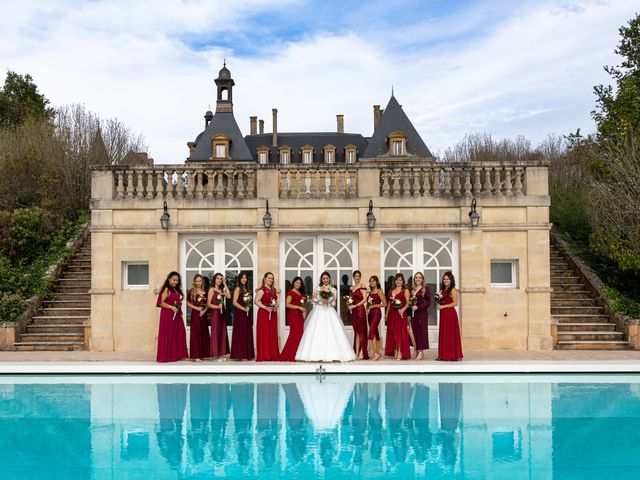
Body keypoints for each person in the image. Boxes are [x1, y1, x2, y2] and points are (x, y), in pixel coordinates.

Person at [295, 271, 356, 362]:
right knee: (317, 331)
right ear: (321, 279)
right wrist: (321, 300)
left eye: (327, 278)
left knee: (332, 331)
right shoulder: (317, 288)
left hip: (329, 310)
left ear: (329, 279)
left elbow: (334, 303)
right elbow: (314, 300)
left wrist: (329, 302)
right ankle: (315, 354)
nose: (325, 280)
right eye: (323, 278)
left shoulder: (333, 289)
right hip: (319, 310)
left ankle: (335, 354)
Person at [155, 271, 188, 362]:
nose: (175, 282)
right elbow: (160, 303)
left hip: (176, 315)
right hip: (168, 315)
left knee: (179, 333)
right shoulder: (167, 289)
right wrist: (171, 307)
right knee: (169, 334)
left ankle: (176, 355)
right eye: (173, 280)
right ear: (169, 279)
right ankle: (167, 356)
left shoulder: (177, 290)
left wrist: (177, 308)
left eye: (177, 280)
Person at [278, 276, 306, 361]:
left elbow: (302, 306)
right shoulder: (290, 292)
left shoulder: (300, 293)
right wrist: (298, 307)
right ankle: (290, 354)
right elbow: (287, 304)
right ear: (293, 283)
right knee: (294, 334)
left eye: (300, 283)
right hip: (293, 315)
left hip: (299, 315)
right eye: (297, 282)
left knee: (299, 334)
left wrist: (304, 310)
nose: (298, 284)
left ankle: (296, 354)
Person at [436, 271, 463, 361]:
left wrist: (443, 306)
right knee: (444, 333)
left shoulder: (453, 290)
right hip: (443, 314)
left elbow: (456, 303)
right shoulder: (443, 290)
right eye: (444, 279)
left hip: (450, 314)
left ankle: (451, 355)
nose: (445, 280)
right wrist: (438, 304)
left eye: (447, 279)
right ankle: (443, 354)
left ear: (451, 280)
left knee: (450, 334)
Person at [385, 273, 411, 360]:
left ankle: (400, 351)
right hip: (392, 314)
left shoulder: (405, 290)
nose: (398, 281)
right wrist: (386, 314)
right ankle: (395, 350)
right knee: (392, 333)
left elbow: (408, 302)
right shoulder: (391, 291)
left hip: (400, 314)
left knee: (399, 333)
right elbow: (389, 303)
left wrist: (403, 309)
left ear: (403, 281)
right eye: (397, 280)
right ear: (394, 281)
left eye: (400, 280)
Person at [230, 271, 255, 360]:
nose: (244, 279)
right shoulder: (238, 288)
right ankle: (240, 354)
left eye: (245, 278)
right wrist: (244, 308)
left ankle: (247, 353)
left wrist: (248, 306)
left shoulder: (247, 289)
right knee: (241, 333)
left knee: (246, 332)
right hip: (240, 313)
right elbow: (234, 302)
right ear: (239, 279)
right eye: (242, 278)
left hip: (246, 314)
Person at [255, 272, 280, 361]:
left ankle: (273, 354)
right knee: (265, 333)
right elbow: (256, 301)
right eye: (269, 278)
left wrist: (276, 306)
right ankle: (265, 355)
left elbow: (275, 301)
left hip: (273, 314)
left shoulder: (273, 290)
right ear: (265, 279)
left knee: (272, 333)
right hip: (264, 314)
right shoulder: (261, 290)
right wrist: (266, 308)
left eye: (272, 278)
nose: (270, 280)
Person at [186, 274, 210, 362]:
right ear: (194, 282)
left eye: (200, 281)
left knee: (203, 333)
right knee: (196, 334)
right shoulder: (192, 291)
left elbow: (208, 303)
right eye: (197, 281)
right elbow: (188, 303)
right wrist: (197, 308)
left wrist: (203, 311)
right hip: (195, 314)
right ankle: (196, 355)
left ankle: (203, 354)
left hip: (203, 315)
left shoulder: (205, 291)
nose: (198, 283)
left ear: (202, 281)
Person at [207, 273, 231, 360]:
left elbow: (229, 296)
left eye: (221, 279)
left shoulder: (222, 290)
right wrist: (217, 307)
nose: (219, 280)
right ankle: (215, 354)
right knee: (216, 332)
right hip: (215, 313)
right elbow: (208, 304)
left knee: (222, 332)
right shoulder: (211, 290)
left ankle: (222, 353)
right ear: (214, 279)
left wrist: (225, 284)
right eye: (218, 278)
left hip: (222, 313)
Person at [410, 272, 431, 360]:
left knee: (421, 332)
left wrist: (418, 307)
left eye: (419, 277)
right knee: (415, 332)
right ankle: (417, 350)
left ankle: (421, 352)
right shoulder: (412, 290)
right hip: (414, 314)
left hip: (421, 313)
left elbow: (429, 302)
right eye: (416, 278)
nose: (417, 279)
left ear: (422, 279)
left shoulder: (425, 289)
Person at [348, 270, 369, 360]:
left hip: (360, 310)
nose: (357, 277)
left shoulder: (362, 286)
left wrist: (355, 305)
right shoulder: (351, 288)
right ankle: (356, 352)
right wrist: (349, 306)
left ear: (360, 277)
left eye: (358, 276)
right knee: (356, 332)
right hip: (354, 312)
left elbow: (365, 299)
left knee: (361, 332)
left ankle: (362, 352)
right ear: (353, 277)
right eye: (355, 276)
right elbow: (349, 299)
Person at [367, 275, 386, 361]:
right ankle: (378, 352)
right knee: (375, 332)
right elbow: (368, 304)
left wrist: (375, 305)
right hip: (370, 314)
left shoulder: (379, 291)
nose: (372, 282)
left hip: (376, 313)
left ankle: (375, 353)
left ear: (377, 282)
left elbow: (385, 304)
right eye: (370, 281)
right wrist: (367, 308)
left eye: (373, 281)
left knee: (371, 332)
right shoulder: (370, 292)